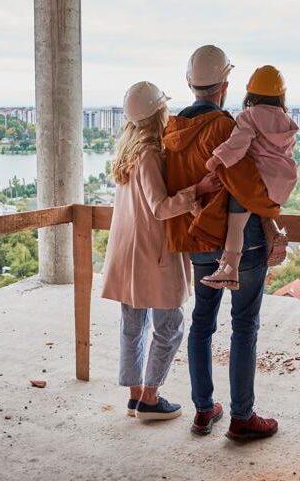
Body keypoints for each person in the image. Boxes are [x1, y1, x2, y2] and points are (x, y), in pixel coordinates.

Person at [163, 45, 281, 441]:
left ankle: (202, 409)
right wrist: (274, 207)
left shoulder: (172, 130)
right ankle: (242, 417)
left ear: (189, 84)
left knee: (202, 323)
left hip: (198, 239)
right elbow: (248, 186)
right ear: (225, 86)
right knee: (244, 326)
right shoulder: (225, 126)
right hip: (240, 244)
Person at [101, 81, 222, 421]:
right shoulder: (151, 154)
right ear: (158, 113)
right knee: (170, 325)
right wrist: (198, 188)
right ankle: (151, 399)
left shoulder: (126, 152)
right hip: (151, 252)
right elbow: (160, 207)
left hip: (126, 251)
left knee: (132, 325)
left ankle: (135, 396)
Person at [200, 65, 298, 290]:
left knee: (236, 221)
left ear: (250, 93)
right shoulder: (287, 122)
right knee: (260, 208)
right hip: (280, 186)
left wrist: (215, 160)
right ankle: (274, 232)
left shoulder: (249, 116)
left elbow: (237, 144)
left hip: (256, 183)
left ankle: (229, 269)